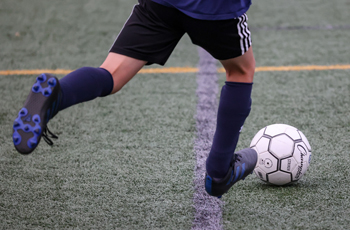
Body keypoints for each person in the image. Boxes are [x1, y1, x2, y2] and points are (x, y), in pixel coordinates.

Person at [12, 0, 258, 197]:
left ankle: (57, 94)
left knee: (111, 73)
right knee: (240, 70)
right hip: (214, 9)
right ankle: (218, 173)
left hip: (161, 3)